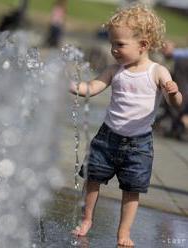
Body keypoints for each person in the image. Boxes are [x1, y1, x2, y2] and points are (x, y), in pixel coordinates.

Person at [69, 4, 182, 247]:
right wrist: (77, 88)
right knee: (92, 179)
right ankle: (87, 219)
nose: (114, 50)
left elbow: (176, 103)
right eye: (112, 44)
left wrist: (173, 92)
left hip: (139, 143)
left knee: (132, 189)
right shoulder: (114, 70)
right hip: (107, 137)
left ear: (143, 44)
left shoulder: (157, 72)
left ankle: (123, 232)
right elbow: (93, 87)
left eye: (120, 45)